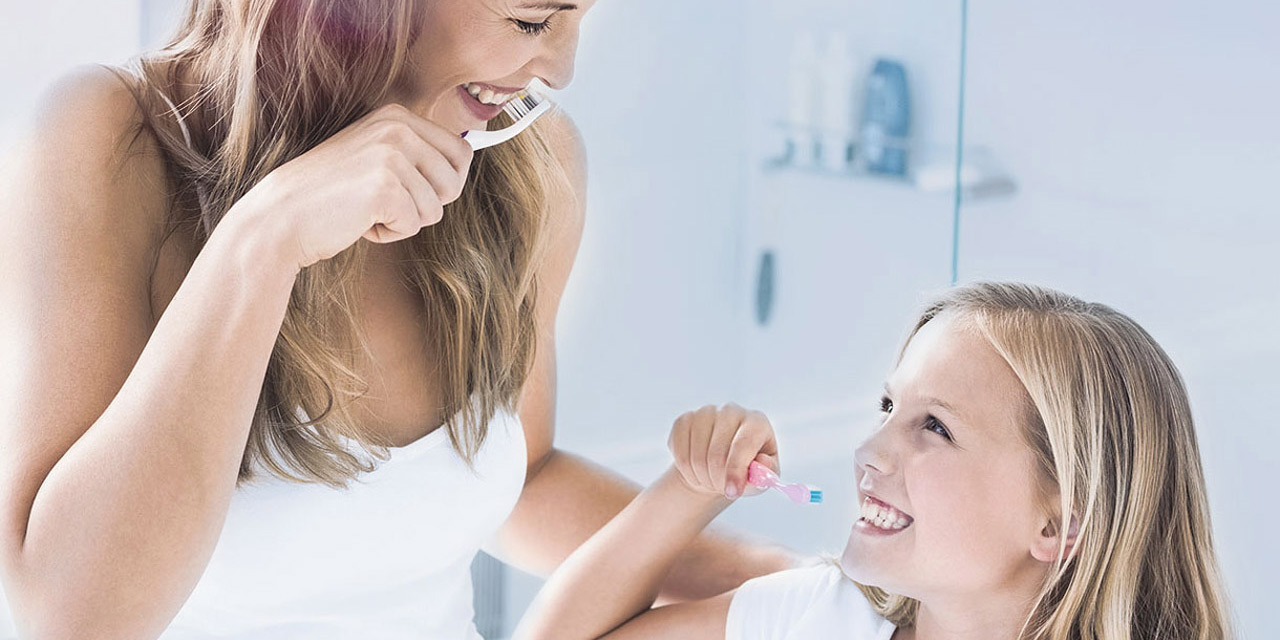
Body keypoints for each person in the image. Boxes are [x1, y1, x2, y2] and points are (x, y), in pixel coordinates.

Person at [0, 1, 795, 637]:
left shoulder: (532, 169)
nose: (561, 69)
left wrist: (752, 573)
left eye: (579, 20)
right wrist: (264, 242)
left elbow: (524, 482)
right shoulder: (110, 140)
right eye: (530, 21)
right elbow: (70, 620)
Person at [516, 281, 1234, 640]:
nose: (869, 452)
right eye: (889, 409)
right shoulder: (821, 618)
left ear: (1058, 526)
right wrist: (691, 488)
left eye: (936, 429)